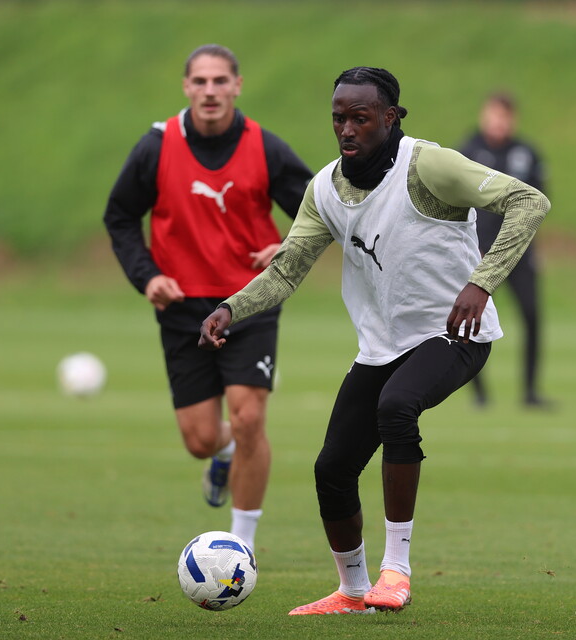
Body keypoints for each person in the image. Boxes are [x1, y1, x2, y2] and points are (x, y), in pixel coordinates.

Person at [199, 67, 549, 614]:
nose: (346, 128)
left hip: (454, 335)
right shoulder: (324, 190)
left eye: (360, 117)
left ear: (390, 118)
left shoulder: (427, 165)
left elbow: (529, 202)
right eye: (339, 117)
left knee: (397, 406)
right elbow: (287, 270)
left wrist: (481, 282)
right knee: (331, 469)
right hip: (383, 346)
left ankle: (397, 572)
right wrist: (230, 309)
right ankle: (354, 591)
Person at [102, 44, 312, 550]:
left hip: (249, 303)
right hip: (182, 309)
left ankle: (239, 546)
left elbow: (320, 211)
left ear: (238, 85)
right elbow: (120, 216)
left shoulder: (266, 148)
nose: (211, 90)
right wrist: (147, 277)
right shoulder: (155, 147)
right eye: (201, 81)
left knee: (249, 417)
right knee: (200, 439)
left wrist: (286, 247)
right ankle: (222, 456)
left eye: (221, 80)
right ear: (186, 88)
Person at [458, 92, 551, 408]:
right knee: (470, 321)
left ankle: (530, 392)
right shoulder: (467, 152)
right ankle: (478, 394)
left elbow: (539, 201)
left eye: (505, 116)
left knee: (532, 316)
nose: (499, 122)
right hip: (480, 252)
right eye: (494, 115)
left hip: (520, 253)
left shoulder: (527, 154)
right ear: (485, 115)